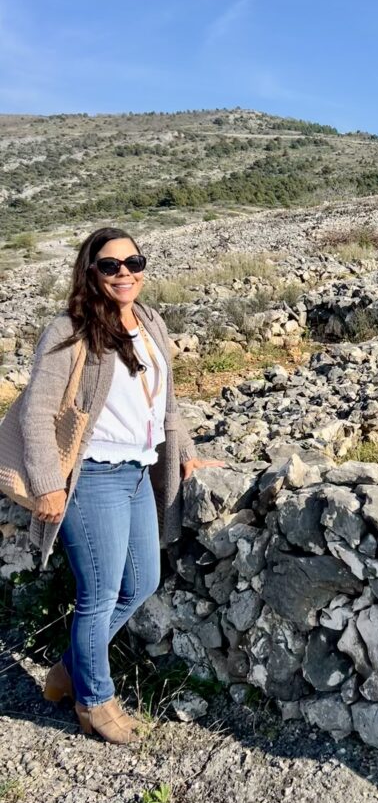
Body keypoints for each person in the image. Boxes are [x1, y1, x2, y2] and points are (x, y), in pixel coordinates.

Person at [20, 227, 223, 743]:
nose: (126, 272)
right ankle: (95, 702)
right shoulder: (69, 330)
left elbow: (166, 405)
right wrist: (48, 484)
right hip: (92, 479)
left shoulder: (150, 321)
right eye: (111, 265)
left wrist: (186, 455)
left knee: (142, 583)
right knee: (100, 595)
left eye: (134, 261)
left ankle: (68, 670)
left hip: (138, 473)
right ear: (90, 272)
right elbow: (37, 413)